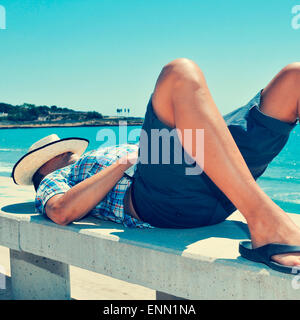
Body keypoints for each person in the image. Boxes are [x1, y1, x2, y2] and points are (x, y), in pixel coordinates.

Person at [12, 58, 300, 273]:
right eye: (58, 152)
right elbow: (61, 212)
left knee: (293, 78)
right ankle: (264, 220)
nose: (66, 154)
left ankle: (261, 213)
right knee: (179, 73)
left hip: (211, 175)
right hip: (165, 198)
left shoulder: (90, 159)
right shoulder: (57, 179)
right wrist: (123, 163)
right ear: (44, 167)